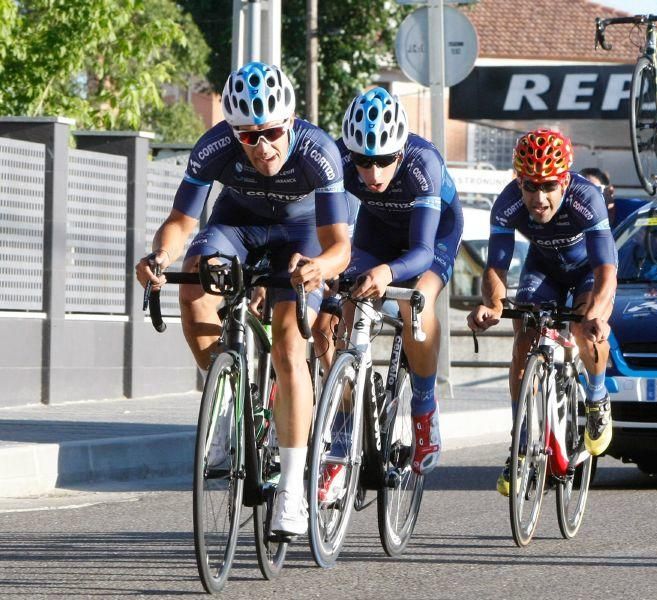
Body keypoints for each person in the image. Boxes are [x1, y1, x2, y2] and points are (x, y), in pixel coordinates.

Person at [134, 61, 351, 538]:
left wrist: (321, 268)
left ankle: (293, 489)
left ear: (289, 122)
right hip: (236, 227)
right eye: (248, 137)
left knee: (291, 346)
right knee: (192, 287)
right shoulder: (215, 145)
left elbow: (339, 245)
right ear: (234, 133)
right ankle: (232, 402)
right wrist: (160, 254)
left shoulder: (320, 152)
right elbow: (181, 221)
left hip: (302, 235)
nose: (263, 146)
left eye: (272, 132)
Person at [318, 87, 463, 499]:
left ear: (400, 152)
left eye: (384, 160)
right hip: (376, 233)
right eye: (363, 161)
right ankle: (343, 434)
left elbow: (419, 252)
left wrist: (386, 272)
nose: (373, 172)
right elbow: (332, 234)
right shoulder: (341, 163)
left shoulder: (423, 165)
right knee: (344, 312)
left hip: (431, 238)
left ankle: (423, 405)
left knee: (413, 301)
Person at [467, 129, 618, 496]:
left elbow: (605, 271)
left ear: (564, 180)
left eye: (548, 186)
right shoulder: (507, 203)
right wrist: (493, 304)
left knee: (585, 330)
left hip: (587, 273)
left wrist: (596, 314)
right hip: (544, 267)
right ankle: (521, 442)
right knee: (523, 339)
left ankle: (597, 400)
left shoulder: (587, 199)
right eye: (529, 186)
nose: (538, 198)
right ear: (518, 181)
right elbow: (496, 269)